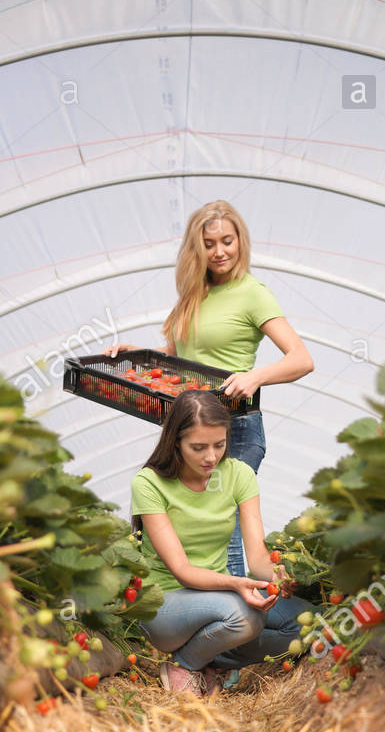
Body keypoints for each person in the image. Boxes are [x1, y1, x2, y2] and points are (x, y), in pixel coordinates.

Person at [105, 199, 314, 577]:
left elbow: (301, 358)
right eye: (209, 243)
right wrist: (136, 353)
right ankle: (214, 622)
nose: (219, 251)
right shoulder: (193, 295)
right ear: (196, 248)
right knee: (193, 530)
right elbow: (179, 356)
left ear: (241, 242)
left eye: (228, 241)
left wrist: (255, 376)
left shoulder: (253, 293)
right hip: (190, 427)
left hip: (235, 431)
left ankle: (237, 626)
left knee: (225, 532)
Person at [129, 390, 311, 695]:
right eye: (198, 448)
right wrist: (236, 584)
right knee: (245, 615)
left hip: (221, 597)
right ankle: (183, 665)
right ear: (175, 442)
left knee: (310, 623)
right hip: (164, 605)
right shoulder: (149, 483)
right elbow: (182, 570)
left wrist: (278, 576)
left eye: (219, 445)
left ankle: (214, 660)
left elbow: (256, 558)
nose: (211, 457)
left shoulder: (239, 475)